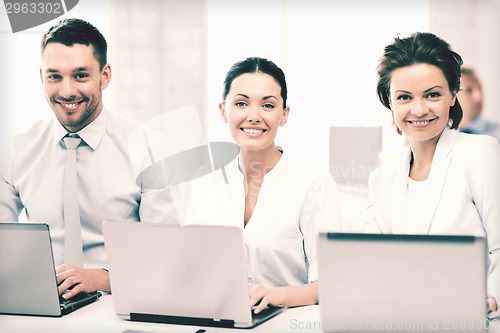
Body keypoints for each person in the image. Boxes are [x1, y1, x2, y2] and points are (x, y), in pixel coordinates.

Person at [0, 19, 175, 300]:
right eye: (54, 76)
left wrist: (102, 278)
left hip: (122, 303)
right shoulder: (16, 148)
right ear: (41, 76)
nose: (67, 91)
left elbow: (166, 254)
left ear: (105, 75)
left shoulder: (148, 148)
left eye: (80, 75)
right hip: (42, 309)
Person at [177, 57, 341, 313]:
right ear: (223, 110)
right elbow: (189, 268)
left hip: (287, 323)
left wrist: (275, 295)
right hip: (216, 319)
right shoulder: (202, 181)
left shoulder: (313, 183)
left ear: (284, 114)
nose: (254, 116)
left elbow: (329, 284)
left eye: (268, 105)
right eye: (241, 103)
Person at [367, 32, 500, 314]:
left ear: (453, 95)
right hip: (403, 317)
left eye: (433, 95)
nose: (419, 109)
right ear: (389, 102)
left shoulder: (480, 152)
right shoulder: (382, 178)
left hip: (472, 317)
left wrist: (490, 298)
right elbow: (376, 262)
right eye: (404, 97)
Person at [457, 67, 500, 141]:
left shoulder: (496, 134)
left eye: (480, 89)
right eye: (469, 90)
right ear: (453, 95)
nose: (478, 97)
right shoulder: (441, 135)